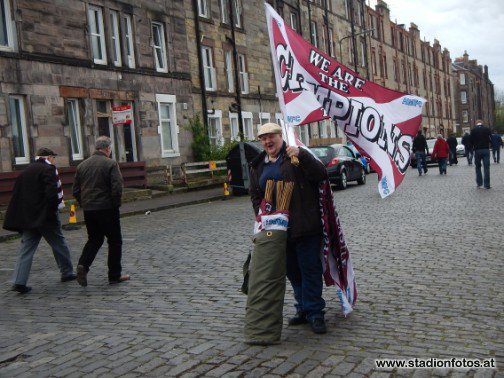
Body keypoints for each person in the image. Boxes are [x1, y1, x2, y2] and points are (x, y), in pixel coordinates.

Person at [249, 123, 327, 334]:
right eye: (263, 138)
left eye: (271, 136)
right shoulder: (258, 165)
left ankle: (315, 313)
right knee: (292, 272)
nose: (267, 141)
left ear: (280, 135)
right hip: (277, 230)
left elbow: (320, 174)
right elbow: (256, 195)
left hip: (304, 224)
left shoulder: (295, 154)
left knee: (310, 269)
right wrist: (263, 214)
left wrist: (303, 155)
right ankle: (302, 308)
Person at [3, 147, 76, 294]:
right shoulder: (49, 170)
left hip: (29, 217)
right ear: (49, 157)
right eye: (53, 158)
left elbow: (18, 194)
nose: (54, 160)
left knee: (26, 249)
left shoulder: (26, 171)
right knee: (58, 243)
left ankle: (19, 280)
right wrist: (53, 210)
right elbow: (52, 193)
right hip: (46, 217)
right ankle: (67, 272)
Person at [73, 136, 130, 286]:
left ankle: (83, 265)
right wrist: (115, 205)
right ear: (107, 149)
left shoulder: (82, 165)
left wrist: (84, 203)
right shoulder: (111, 164)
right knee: (115, 241)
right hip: (107, 208)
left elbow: (76, 190)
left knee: (94, 239)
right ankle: (114, 275)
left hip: (89, 209)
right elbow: (117, 187)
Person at [470, 120, 491, 189]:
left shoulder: (473, 130)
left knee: (478, 167)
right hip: (486, 150)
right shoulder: (487, 129)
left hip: (477, 150)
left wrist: (472, 148)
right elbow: (490, 139)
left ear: (476, 124)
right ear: (482, 123)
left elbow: (471, 141)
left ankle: (479, 183)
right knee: (486, 167)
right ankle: (487, 184)